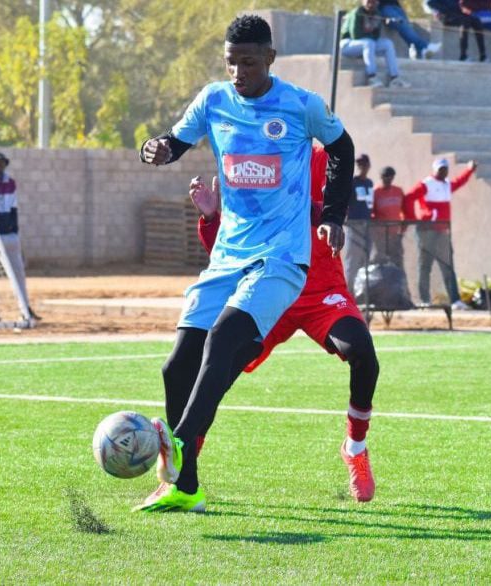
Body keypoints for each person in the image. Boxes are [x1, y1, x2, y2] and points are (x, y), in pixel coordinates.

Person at [136, 14, 354, 513]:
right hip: (228, 255)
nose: (239, 72)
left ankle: (180, 441)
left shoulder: (300, 105)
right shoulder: (213, 100)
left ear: (270, 58)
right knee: (176, 367)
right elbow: (175, 141)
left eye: (249, 62)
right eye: (231, 62)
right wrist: (157, 148)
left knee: (225, 337)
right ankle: (185, 486)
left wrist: (333, 215)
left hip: (281, 257)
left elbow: (342, 147)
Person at [178, 145, 380, 503]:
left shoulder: (321, 158)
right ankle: (183, 469)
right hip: (271, 289)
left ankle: (355, 448)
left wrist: (304, 209)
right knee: (219, 372)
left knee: (363, 353)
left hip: (321, 290)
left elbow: (332, 201)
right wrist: (212, 219)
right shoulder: (252, 164)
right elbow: (232, 250)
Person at [0, 151, 40, 324]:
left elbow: (14, 209)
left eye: (2, 162)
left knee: (18, 272)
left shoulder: (11, 183)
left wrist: (15, 232)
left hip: (9, 234)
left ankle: (25, 309)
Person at [406, 158, 477, 310]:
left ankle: (455, 300)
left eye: (445, 169)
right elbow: (409, 198)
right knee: (425, 266)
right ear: (435, 170)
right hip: (427, 232)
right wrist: (417, 218)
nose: (443, 171)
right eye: (440, 169)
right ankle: (424, 300)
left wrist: (469, 170)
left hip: (443, 232)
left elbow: (459, 182)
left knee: (448, 266)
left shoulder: (447, 185)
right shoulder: (426, 184)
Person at [341, 0, 411, 88]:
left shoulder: (377, 14)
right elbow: (356, 35)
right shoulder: (357, 12)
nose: (371, 3)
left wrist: (372, 28)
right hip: (348, 44)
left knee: (387, 44)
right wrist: (370, 31)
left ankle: (394, 78)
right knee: (369, 43)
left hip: (367, 44)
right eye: (369, 1)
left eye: (374, 1)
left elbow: (376, 36)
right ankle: (371, 77)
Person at [344, 153, 375, 288]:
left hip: (367, 226)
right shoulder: (351, 182)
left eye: (363, 163)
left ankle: (362, 293)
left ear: (368, 166)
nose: (360, 166)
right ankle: (349, 293)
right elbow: (344, 202)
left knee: (365, 261)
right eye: (358, 164)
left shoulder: (369, 183)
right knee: (352, 261)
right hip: (354, 225)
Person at [371, 165, 408, 271]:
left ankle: (399, 281)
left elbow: (405, 210)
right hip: (380, 235)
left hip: (395, 234)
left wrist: (402, 229)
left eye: (390, 176)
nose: (388, 179)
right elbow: (371, 213)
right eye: (385, 176)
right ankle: (381, 281)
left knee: (397, 260)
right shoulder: (375, 192)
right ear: (381, 177)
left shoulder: (398, 191)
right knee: (381, 260)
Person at [378, 0, 443, 59]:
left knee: (407, 27)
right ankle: (425, 46)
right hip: (385, 8)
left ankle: (421, 52)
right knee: (402, 25)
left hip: (396, 6)